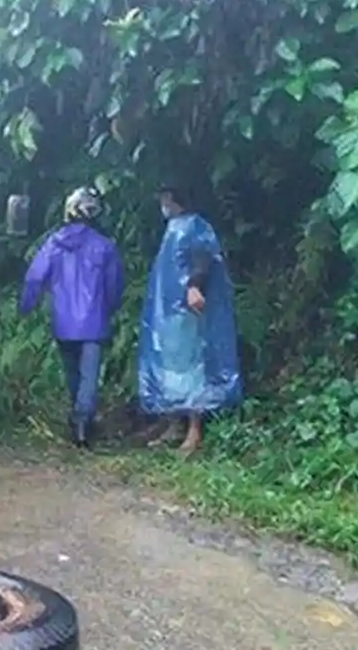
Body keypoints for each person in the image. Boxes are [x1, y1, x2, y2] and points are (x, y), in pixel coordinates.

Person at [138, 184, 242, 455]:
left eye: (164, 198)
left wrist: (194, 286)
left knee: (193, 368)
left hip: (188, 311)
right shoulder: (174, 226)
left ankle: (194, 430)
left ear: (175, 199)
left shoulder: (194, 225)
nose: (162, 203)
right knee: (173, 368)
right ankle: (174, 423)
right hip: (170, 313)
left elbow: (203, 257)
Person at [19, 186, 124, 448]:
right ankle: (82, 423)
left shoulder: (54, 244)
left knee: (72, 374)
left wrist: (26, 307)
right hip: (94, 321)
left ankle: (78, 418)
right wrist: (108, 309)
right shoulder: (105, 247)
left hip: (63, 322)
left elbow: (34, 278)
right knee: (89, 375)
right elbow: (113, 287)